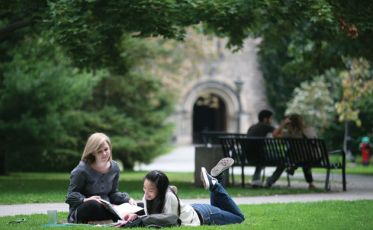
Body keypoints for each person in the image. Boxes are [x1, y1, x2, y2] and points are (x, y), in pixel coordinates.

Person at [122, 158, 245, 226]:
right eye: (144, 188)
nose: (146, 193)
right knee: (221, 209)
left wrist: (141, 220)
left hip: (205, 215)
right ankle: (216, 180)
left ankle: (215, 185)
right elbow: (153, 216)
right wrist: (137, 216)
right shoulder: (148, 196)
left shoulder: (168, 197)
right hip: (193, 210)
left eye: (150, 190)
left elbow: (170, 220)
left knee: (239, 218)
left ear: (161, 190)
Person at [65, 132, 137, 223]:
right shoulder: (81, 170)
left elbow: (113, 193)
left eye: (106, 149)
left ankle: (114, 218)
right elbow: (70, 196)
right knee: (93, 204)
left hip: (107, 207)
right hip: (87, 208)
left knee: (138, 205)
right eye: (99, 151)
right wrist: (85, 199)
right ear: (93, 152)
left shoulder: (114, 168)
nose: (104, 153)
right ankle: (120, 217)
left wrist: (127, 200)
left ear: (110, 148)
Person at [265, 114, 317, 189]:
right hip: (311, 159)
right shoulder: (309, 130)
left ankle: (270, 181)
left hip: (295, 159)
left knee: (284, 161)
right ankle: (310, 183)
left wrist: (283, 124)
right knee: (304, 158)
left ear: (290, 123)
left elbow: (274, 135)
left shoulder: (290, 134)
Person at [247, 109, 288, 187]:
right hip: (260, 156)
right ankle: (270, 181)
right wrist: (283, 124)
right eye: (271, 118)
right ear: (265, 119)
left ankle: (256, 179)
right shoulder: (265, 126)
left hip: (249, 156)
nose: (271, 120)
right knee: (284, 161)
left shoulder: (252, 127)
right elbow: (277, 133)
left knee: (260, 157)